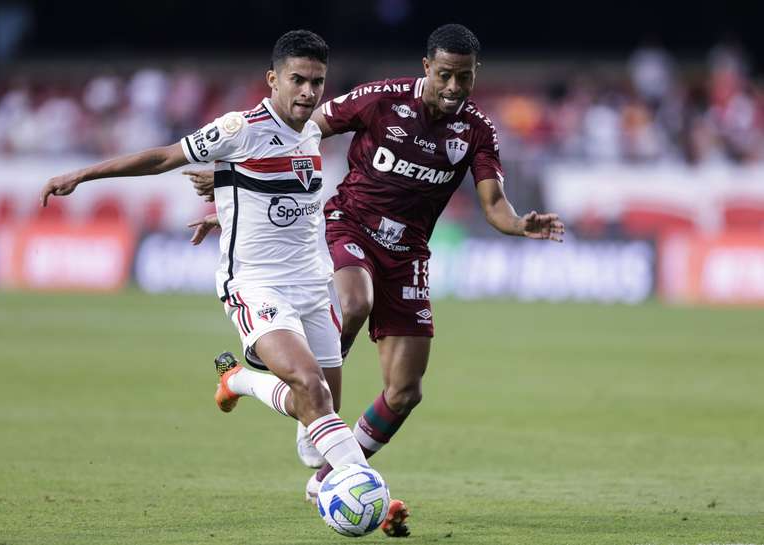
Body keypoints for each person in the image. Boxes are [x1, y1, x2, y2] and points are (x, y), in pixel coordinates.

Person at [188, 24, 564, 536]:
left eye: (466, 79)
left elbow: (494, 204)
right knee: (355, 302)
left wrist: (520, 225)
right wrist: (246, 185)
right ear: (427, 67)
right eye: (447, 75)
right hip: (351, 226)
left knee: (406, 391)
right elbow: (307, 125)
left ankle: (327, 475)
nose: (455, 88)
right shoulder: (382, 99)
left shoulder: (477, 130)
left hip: (409, 255)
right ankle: (318, 403)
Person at [39, 29, 377, 501]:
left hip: (314, 283)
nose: (307, 91)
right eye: (297, 80)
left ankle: (240, 380)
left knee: (315, 433)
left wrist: (223, 208)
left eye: (317, 82)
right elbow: (162, 158)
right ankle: (374, 499)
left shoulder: (314, 130)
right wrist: (83, 173)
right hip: (257, 286)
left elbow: (275, 195)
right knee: (309, 387)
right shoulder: (239, 128)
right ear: (272, 80)